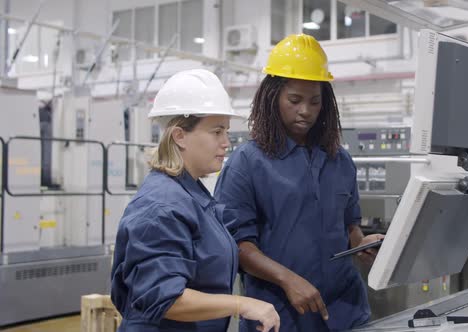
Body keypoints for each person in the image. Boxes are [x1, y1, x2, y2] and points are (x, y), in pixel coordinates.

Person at [214, 34, 384, 331]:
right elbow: (237, 245)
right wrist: (288, 279)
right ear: (273, 97)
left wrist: (363, 245)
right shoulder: (248, 162)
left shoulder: (339, 161)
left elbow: (349, 227)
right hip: (281, 315)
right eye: (294, 100)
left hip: (345, 311)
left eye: (314, 101)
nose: (305, 110)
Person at [110, 69, 280, 332]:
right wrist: (242, 304)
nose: (226, 143)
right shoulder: (162, 206)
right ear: (179, 136)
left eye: (226, 131)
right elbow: (166, 299)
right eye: (217, 132)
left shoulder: (191, 193)